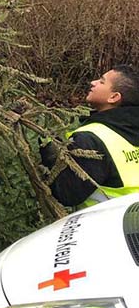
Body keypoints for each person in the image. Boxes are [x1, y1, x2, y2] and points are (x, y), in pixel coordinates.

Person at [40, 65, 139, 208]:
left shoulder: (91, 139)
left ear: (114, 97)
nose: (93, 82)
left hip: (106, 223)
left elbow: (67, 194)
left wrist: (50, 154)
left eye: (102, 81)